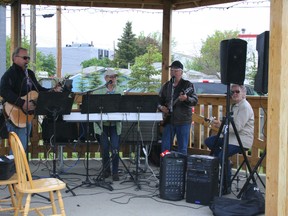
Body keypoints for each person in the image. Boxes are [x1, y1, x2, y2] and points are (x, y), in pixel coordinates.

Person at [0, 47, 62, 152]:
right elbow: (3, 91)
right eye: (24, 58)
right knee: (18, 148)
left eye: (28, 58)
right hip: (14, 114)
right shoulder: (9, 74)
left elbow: (38, 90)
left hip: (26, 115)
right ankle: (15, 168)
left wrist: (52, 90)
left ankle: (20, 167)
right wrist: (22, 103)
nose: (27, 60)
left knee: (22, 147)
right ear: (15, 58)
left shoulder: (30, 74)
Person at [204, 84, 254, 192]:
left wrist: (220, 126)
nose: (234, 94)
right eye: (232, 92)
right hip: (231, 137)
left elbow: (237, 128)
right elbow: (230, 127)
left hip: (241, 140)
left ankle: (226, 186)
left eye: (237, 91)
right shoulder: (235, 105)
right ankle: (226, 163)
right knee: (209, 141)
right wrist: (220, 124)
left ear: (244, 94)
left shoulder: (244, 106)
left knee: (222, 155)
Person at [158, 60, 198, 155]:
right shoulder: (167, 86)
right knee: (165, 147)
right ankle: (164, 167)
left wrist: (186, 98)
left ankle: (182, 169)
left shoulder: (188, 85)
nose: (173, 73)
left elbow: (195, 100)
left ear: (181, 72)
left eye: (176, 71)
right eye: (172, 70)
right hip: (168, 120)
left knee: (182, 148)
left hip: (183, 120)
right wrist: (161, 107)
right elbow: (159, 100)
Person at [93, 69, 123, 181]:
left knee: (115, 147)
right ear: (105, 78)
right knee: (105, 148)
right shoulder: (98, 91)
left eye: (115, 77)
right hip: (102, 125)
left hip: (115, 124)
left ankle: (115, 172)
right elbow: (94, 107)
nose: (113, 79)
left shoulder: (119, 90)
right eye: (111, 77)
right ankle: (106, 170)